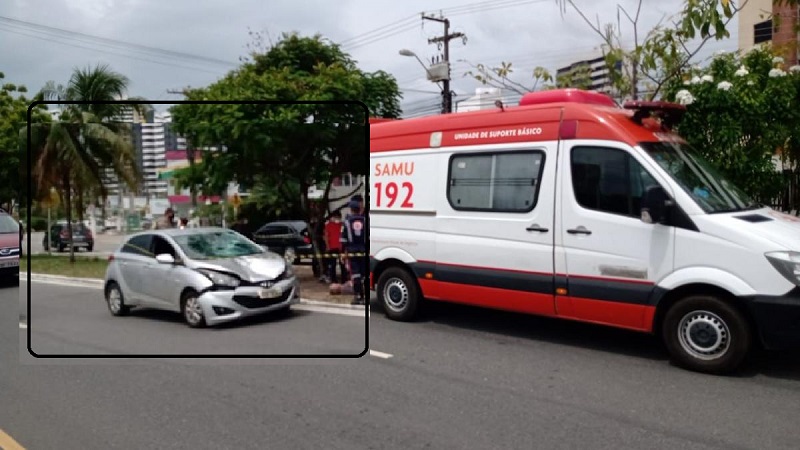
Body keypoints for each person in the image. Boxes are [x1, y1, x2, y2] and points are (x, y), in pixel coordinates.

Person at [340, 200, 367, 305]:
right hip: (364, 251)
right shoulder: (365, 220)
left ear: (351, 210)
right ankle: (366, 296)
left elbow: (343, 239)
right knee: (364, 274)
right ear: (359, 209)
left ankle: (358, 296)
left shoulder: (347, 222)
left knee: (356, 275)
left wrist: (343, 252)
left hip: (352, 251)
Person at [323, 210, 346, 284]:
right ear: (332, 217)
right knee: (333, 265)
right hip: (332, 248)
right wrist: (327, 246)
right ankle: (334, 280)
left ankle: (343, 279)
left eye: (338, 217)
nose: (337, 219)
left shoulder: (342, 225)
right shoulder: (328, 225)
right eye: (336, 217)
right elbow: (326, 236)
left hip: (341, 247)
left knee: (342, 264)